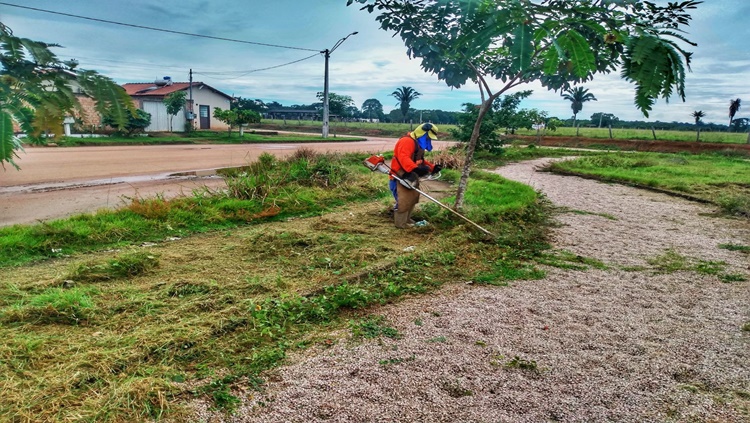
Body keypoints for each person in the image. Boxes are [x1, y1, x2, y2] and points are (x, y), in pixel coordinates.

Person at [389, 123, 443, 228]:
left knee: (412, 198)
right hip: (399, 176)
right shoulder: (407, 141)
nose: (428, 139)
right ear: (422, 132)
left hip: (411, 175)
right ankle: (400, 224)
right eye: (427, 137)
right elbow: (403, 158)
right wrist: (415, 169)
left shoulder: (417, 144)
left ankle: (407, 220)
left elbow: (420, 160)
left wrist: (432, 167)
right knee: (403, 200)